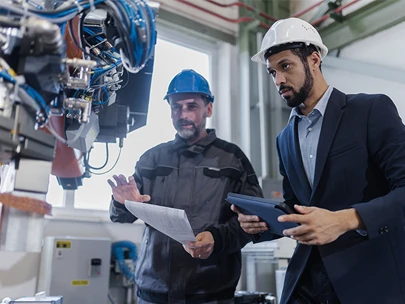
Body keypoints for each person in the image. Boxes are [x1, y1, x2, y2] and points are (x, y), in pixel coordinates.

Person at [232, 17, 405, 304]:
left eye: (285, 66)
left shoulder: (370, 110)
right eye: (271, 72)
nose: (278, 80)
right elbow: (295, 206)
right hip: (307, 280)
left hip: (368, 278)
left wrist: (345, 220)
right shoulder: (285, 139)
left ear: (314, 59)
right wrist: (262, 224)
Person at [108, 69, 263, 304]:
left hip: (211, 293)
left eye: (191, 106)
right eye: (176, 107)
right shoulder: (151, 160)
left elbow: (254, 222)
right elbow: (121, 217)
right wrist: (122, 203)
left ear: (208, 109)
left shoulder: (232, 159)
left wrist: (216, 238)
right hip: (154, 293)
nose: (183, 114)